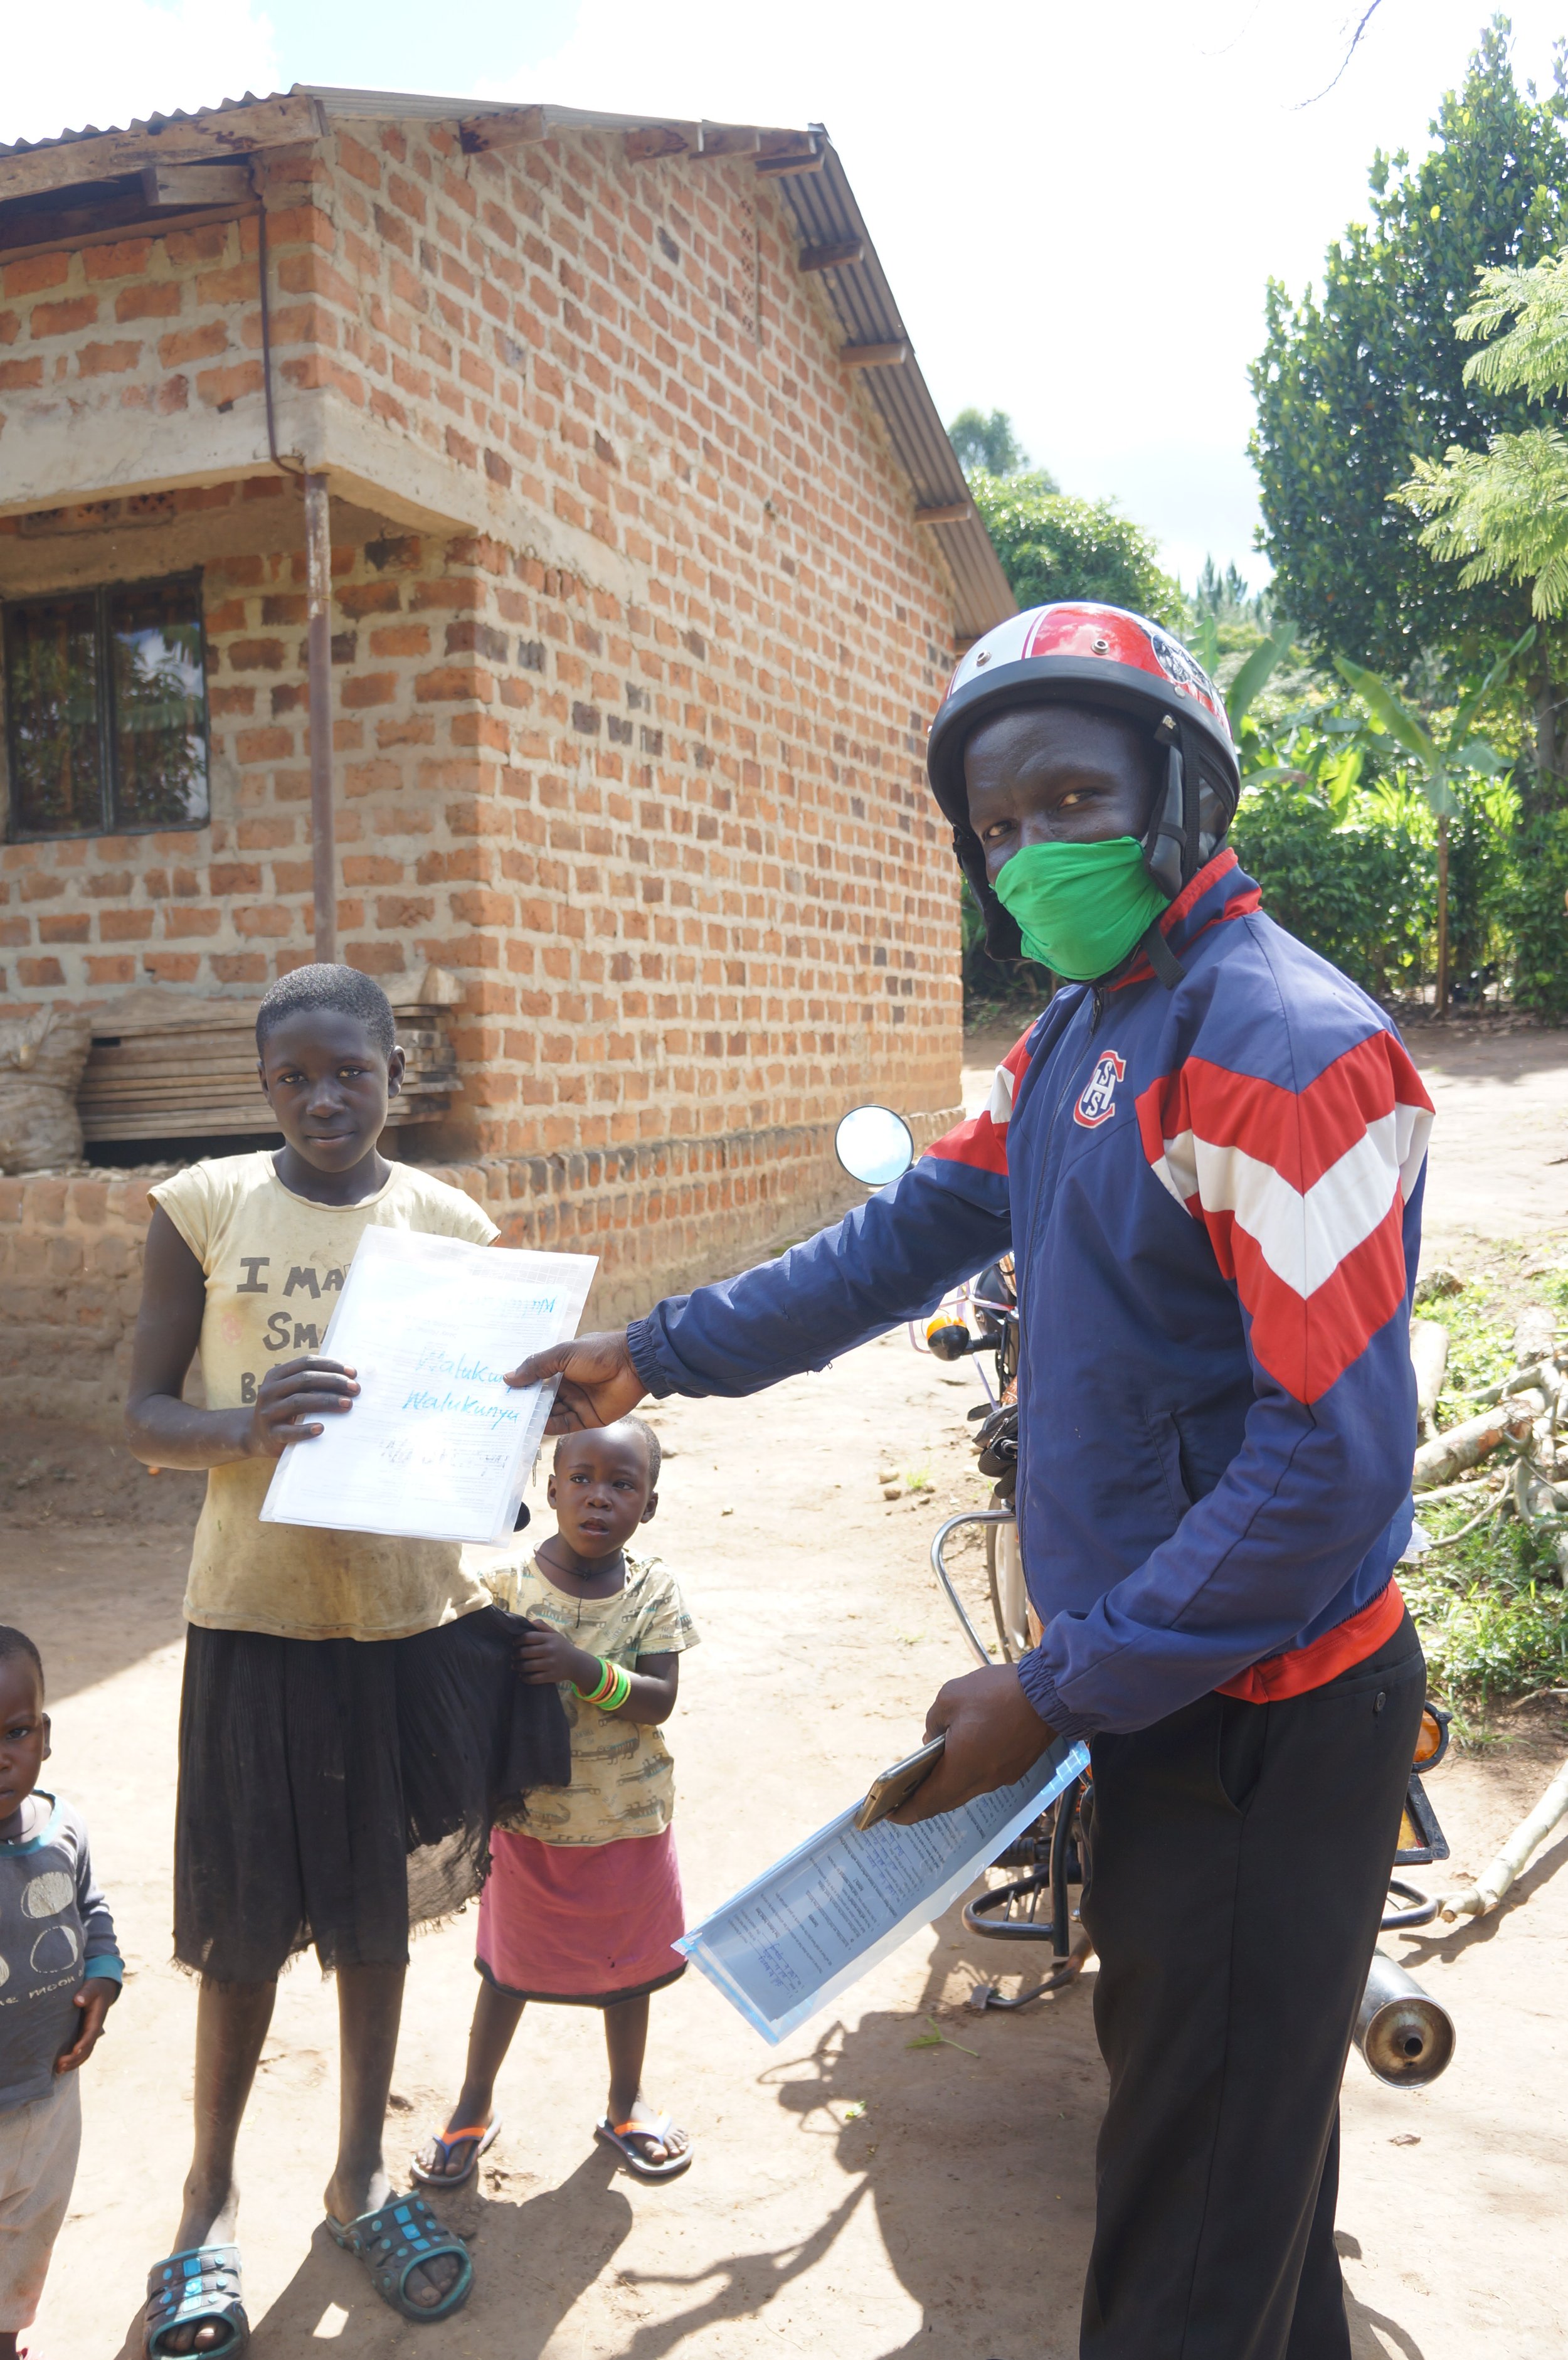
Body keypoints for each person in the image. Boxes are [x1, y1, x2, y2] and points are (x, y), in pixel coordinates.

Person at [509, 603, 1434, 2360]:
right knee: (1240, 2194)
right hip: (1169, 1700)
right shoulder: (1083, 1034)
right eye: (996, 827)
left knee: (1180, 2251)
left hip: (1268, 1724)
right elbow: (913, 1232)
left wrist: (1055, 1686)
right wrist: (661, 1347)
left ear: (1179, 793)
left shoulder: (1279, 1049)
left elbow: (1328, 1468)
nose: (1029, 856)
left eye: (1070, 798)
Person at [124, 964, 569, 2352]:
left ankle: (360, 2174)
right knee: (244, 1926)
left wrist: (488, 1467)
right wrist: (239, 1428)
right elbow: (144, 1414)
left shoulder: (446, 1223)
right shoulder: (202, 1210)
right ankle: (206, 2195)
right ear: (266, 1089)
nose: (324, 1099)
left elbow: (486, 1451)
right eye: (293, 1078)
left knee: (373, 1919)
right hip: (253, 1613)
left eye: (351, 1073)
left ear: (397, 1075)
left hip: (400, 1617)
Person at [415, 1417, 697, 2188]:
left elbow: (660, 1699)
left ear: (650, 1504)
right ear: (549, 1490)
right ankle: (472, 2103)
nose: (598, 1498)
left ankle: (627, 2102)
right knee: (508, 1972)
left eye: (622, 1484)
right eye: (581, 1479)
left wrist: (581, 1667)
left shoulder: (654, 1591)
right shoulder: (505, 1586)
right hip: (530, 1823)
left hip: (628, 1821)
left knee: (630, 1969)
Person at [0, 1626, 122, 2358]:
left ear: (44, 1734)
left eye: (15, 1731)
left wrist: (102, 1979)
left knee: (27, 2238)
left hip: (47, 2103)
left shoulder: (62, 1829)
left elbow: (94, 1909)